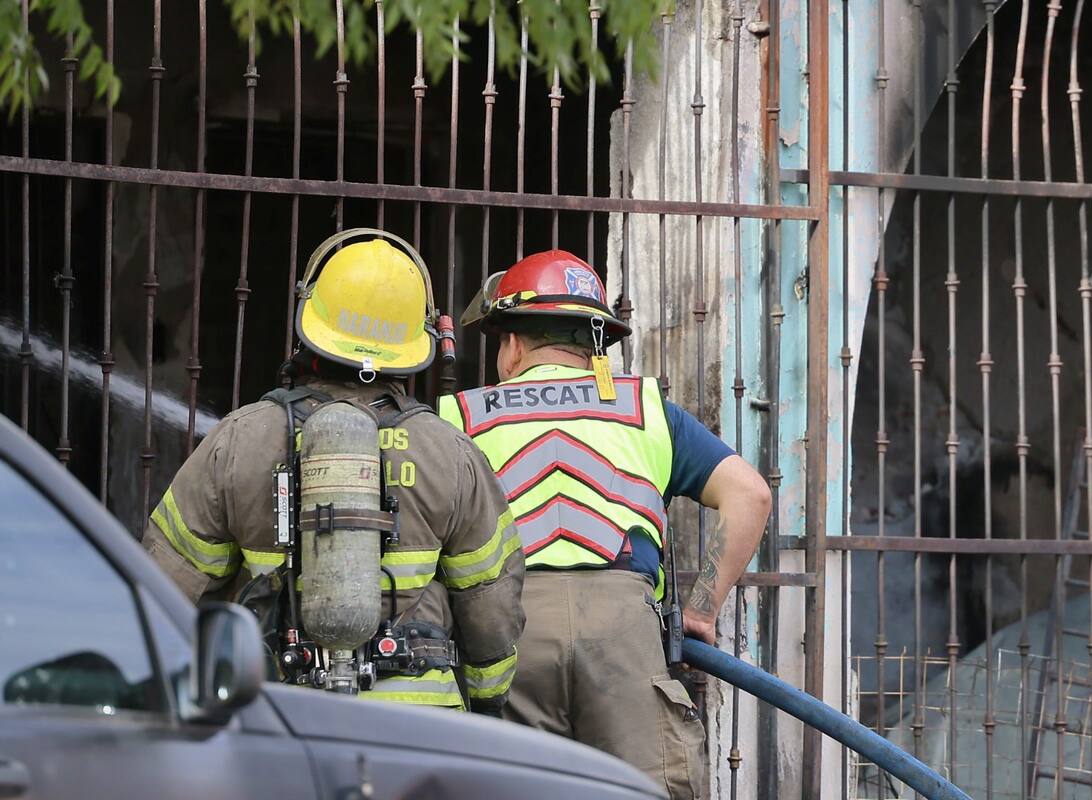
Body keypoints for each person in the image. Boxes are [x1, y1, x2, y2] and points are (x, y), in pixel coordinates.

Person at [144, 228, 524, 713]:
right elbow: (490, 603)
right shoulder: (448, 451)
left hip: (280, 718)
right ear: (418, 341)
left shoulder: (242, 439)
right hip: (421, 732)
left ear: (311, 326)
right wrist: (489, 703)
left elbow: (165, 590)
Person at [439, 250, 771, 797]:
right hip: (625, 633)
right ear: (595, 344)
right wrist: (702, 609)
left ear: (513, 344)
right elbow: (752, 495)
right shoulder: (645, 407)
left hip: (511, 631)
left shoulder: (461, 416)